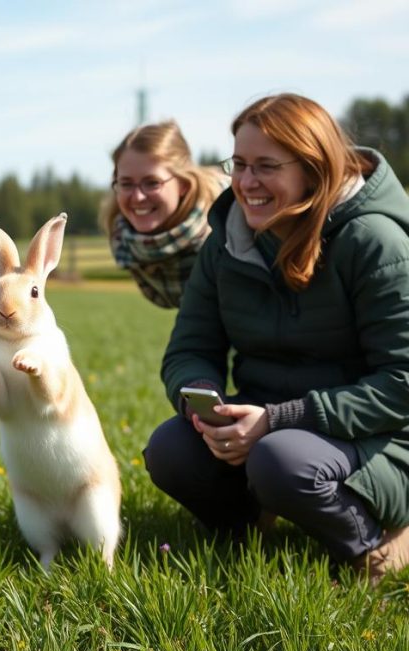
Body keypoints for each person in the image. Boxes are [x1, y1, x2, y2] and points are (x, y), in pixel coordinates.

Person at [144, 93, 409, 584]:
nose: (246, 184)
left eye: (265, 166)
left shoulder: (375, 242)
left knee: (279, 459)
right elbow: (189, 349)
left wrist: (276, 420)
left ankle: (376, 545)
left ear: (312, 168)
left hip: (376, 437)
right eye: (239, 165)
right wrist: (207, 409)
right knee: (170, 450)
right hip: (268, 425)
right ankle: (250, 526)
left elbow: (402, 384)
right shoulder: (226, 241)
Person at [100, 120, 227, 308]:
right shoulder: (125, 240)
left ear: (183, 184)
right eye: (126, 183)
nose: (138, 196)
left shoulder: (226, 230)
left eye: (152, 182)